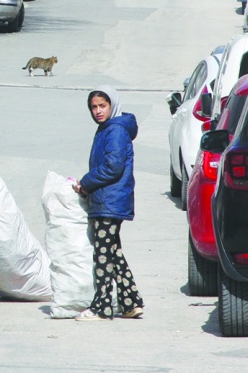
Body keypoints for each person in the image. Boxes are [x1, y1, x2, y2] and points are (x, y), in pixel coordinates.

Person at [71, 85, 144, 321]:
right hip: (107, 199)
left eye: (103, 106)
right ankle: (130, 302)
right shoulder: (107, 128)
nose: (98, 111)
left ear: (112, 105)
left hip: (109, 200)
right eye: (94, 107)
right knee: (112, 252)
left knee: (102, 255)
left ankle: (101, 306)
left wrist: (85, 182)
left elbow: (113, 168)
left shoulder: (115, 130)